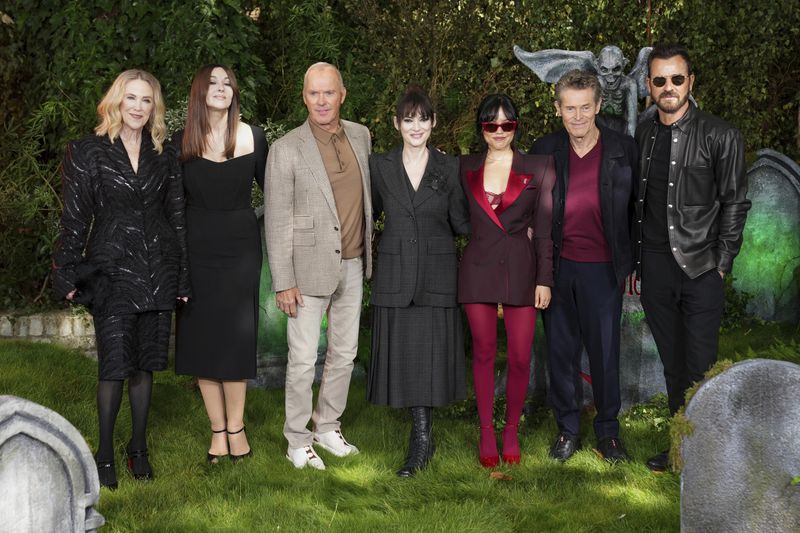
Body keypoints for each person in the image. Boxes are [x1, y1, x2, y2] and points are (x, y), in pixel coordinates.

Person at [52, 69, 189, 489]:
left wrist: (182, 276)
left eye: (146, 100)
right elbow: (74, 217)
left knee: (146, 365)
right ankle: (105, 452)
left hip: (157, 269)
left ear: (154, 108)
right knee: (114, 366)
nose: (137, 107)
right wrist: (66, 271)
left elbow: (177, 216)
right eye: (130, 98)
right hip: (111, 270)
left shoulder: (163, 153)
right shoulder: (89, 151)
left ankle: (139, 449)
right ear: (116, 101)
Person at [634, 44, 750, 472]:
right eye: (660, 80)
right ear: (649, 85)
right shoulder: (644, 135)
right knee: (672, 366)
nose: (669, 88)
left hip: (702, 269)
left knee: (702, 367)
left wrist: (722, 263)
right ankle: (681, 449)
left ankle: (710, 454)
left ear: (690, 82)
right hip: (657, 272)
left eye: (677, 79)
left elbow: (735, 203)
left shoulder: (721, 135)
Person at [264, 62, 372, 470]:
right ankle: (297, 439)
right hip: (307, 268)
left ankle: (327, 425)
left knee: (345, 352)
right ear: (304, 97)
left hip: (353, 261)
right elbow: (276, 219)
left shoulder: (361, 136)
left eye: (329, 93)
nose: (322, 101)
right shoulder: (287, 148)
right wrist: (283, 281)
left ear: (342, 94)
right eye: (314, 93)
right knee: (304, 357)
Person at [529, 69, 638, 463]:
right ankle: (568, 430)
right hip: (558, 268)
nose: (577, 116)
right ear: (558, 108)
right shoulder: (545, 149)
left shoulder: (623, 149)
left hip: (603, 268)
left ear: (598, 106)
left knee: (605, 353)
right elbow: (530, 211)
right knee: (561, 352)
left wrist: (634, 263)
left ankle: (608, 433)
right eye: (569, 108)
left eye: (585, 108)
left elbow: (637, 209)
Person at [367, 87, 470, 477]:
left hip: (436, 273)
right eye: (408, 119)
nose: (416, 126)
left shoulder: (450, 168)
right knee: (407, 356)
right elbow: (364, 213)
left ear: (433, 123)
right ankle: (420, 435)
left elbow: (462, 222)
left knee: (429, 358)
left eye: (422, 118)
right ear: (396, 124)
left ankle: (422, 439)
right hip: (396, 273)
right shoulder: (379, 166)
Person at [173, 65, 267, 463]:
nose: (221, 88)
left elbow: (277, 197)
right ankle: (217, 432)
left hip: (241, 250)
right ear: (199, 91)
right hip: (195, 251)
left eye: (228, 82)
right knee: (202, 341)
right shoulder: (180, 142)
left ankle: (238, 428)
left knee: (234, 339)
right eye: (213, 82)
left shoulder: (255, 138)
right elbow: (172, 207)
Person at [458, 94, 555, 467]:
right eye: (491, 125)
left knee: (519, 356)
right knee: (482, 353)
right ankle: (486, 432)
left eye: (507, 124)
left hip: (522, 271)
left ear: (516, 125)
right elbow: (456, 217)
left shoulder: (540, 167)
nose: (499, 132)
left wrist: (544, 279)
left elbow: (544, 230)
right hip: (477, 269)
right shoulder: (463, 167)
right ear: (481, 128)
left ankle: (510, 429)